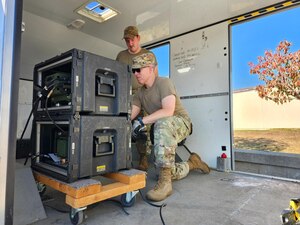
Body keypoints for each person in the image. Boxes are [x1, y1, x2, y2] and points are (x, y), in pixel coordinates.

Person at [130, 52, 210, 202]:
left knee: (161, 122)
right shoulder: (139, 94)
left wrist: (142, 121)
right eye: (133, 70)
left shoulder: (164, 83)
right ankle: (193, 163)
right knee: (167, 170)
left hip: (181, 122)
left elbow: (168, 110)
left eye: (139, 69)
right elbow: (130, 115)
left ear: (151, 68)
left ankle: (165, 185)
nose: (135, 73)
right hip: (162, 126)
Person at [116, 25, 157, 171]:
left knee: (141, 127)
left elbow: (154, 77)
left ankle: (143, 157)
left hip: (142, 94)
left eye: (132, 39)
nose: (130, 43)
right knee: (122, 123)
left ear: (138, 38)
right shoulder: (121, 56)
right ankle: (120, 157)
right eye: (127, 40)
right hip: (125, 95)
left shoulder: (148, 54)